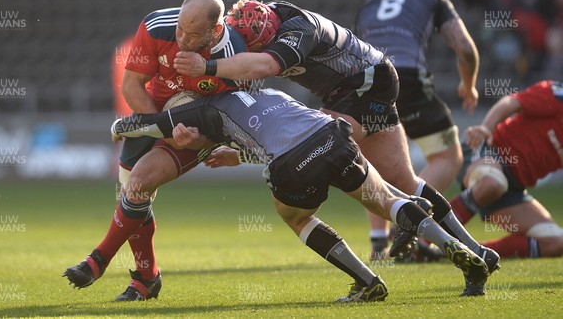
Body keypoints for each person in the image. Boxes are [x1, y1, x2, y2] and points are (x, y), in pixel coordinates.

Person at [172, 0, 499, 294]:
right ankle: (473, 248)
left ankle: (407, 221)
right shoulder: (260, 19)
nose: (258, 51)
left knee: (323, 146)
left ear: (270, 31)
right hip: (367, 82)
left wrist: (208, 68)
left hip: (363, 83)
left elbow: (268, 67)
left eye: (261, 45)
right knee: (402, 180)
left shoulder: (298, 28)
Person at [111, 87, 490, 301]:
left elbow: (151, 124)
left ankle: (367, 281)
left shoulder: (202, 110)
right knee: (387, 200)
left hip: (295, 163)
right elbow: (275, 132)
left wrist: (119, 127)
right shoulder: (265, 91)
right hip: (331, 135)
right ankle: (465, 255)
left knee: (296, 216)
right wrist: (238, 155)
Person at [63, 0, 248, 301]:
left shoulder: (235, 58)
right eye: (180, 29)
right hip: (151, 113)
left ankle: (97, 261)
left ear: (214, 31)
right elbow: (130, 85)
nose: (182, 39)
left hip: (195, 130)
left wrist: (202, 140)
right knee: (131, 194)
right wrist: (162, 128)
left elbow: (230, 121)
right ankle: (147, 278)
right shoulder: (156, 27)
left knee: (139, 183)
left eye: (192, 35)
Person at [353, 0, 480, 257]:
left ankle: (377, 243)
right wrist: (469, 84)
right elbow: (465, 49)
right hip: (407, 79)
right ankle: (409, 226)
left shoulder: (370, 4)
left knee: (379, 168)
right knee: (448, 155)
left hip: (367, 81)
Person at [450, 80, 563, 258]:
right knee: (493, 183)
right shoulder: (558, 96)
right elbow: (512, 102)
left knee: (555, 243)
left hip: (512, 190)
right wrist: (486, 128)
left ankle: (460, 253)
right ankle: (424, 238)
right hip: (488, 150)